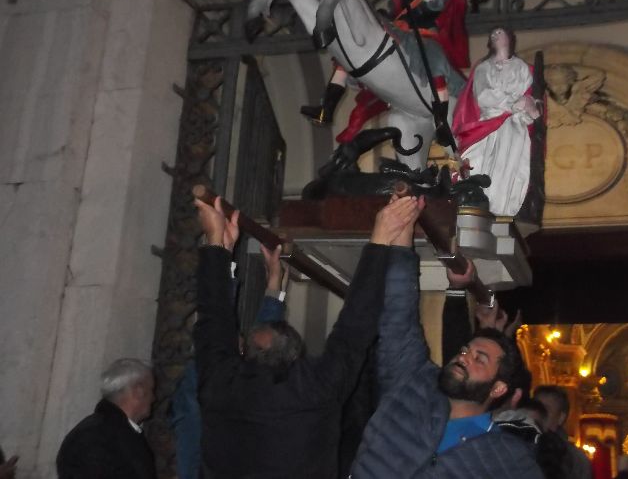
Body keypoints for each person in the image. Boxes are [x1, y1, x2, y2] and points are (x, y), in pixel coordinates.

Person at [193, 193, 421, 479]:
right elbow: (355, 328)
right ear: (295, 358)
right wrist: (380, 240)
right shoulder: (313, 390)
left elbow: (213, 319)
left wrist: (217, 245)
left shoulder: (222, 385)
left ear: (244, 353)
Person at [349, 237, 543, 477]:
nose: (463, 357)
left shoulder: (505, 459)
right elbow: (399, 321)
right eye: (465, 351)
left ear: (498, 388)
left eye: (479, 359)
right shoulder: (414, 387)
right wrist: (401, 241)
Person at [304, 0, 473, 148]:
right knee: (359, 42)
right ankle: (327, 107)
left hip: (423, 33)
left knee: (436, 61)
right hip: (397, 25)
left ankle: (441, 121)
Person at [170, 243, 291, 479]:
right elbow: (261, 348)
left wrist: (223, 259)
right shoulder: (202, 390)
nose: (242, 343)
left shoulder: (223, 381)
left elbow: (259, 346)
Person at [452, 26, 539, 216]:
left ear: (510, 38)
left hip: (514, 127)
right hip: (487, 124)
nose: (496, 36)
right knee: (478, 161)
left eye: (500, 32)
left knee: (508, 166)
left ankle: (500, 207)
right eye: (493, 34)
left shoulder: (523, 68)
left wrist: (529, 106)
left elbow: (532, 103)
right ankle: (479, 202)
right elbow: (483, 96)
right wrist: (514, 103)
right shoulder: (484, 67)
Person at [56, 358, 157, 479]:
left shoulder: (115, 432)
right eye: (151, 390)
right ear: (138, 390)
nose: (153, 398)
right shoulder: (94, 437)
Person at [534, 386, 593, 479]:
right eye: (535, 407)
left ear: (560, 418)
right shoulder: (519, 445)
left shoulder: (575, 460)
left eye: (545, 410)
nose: (537, 414)